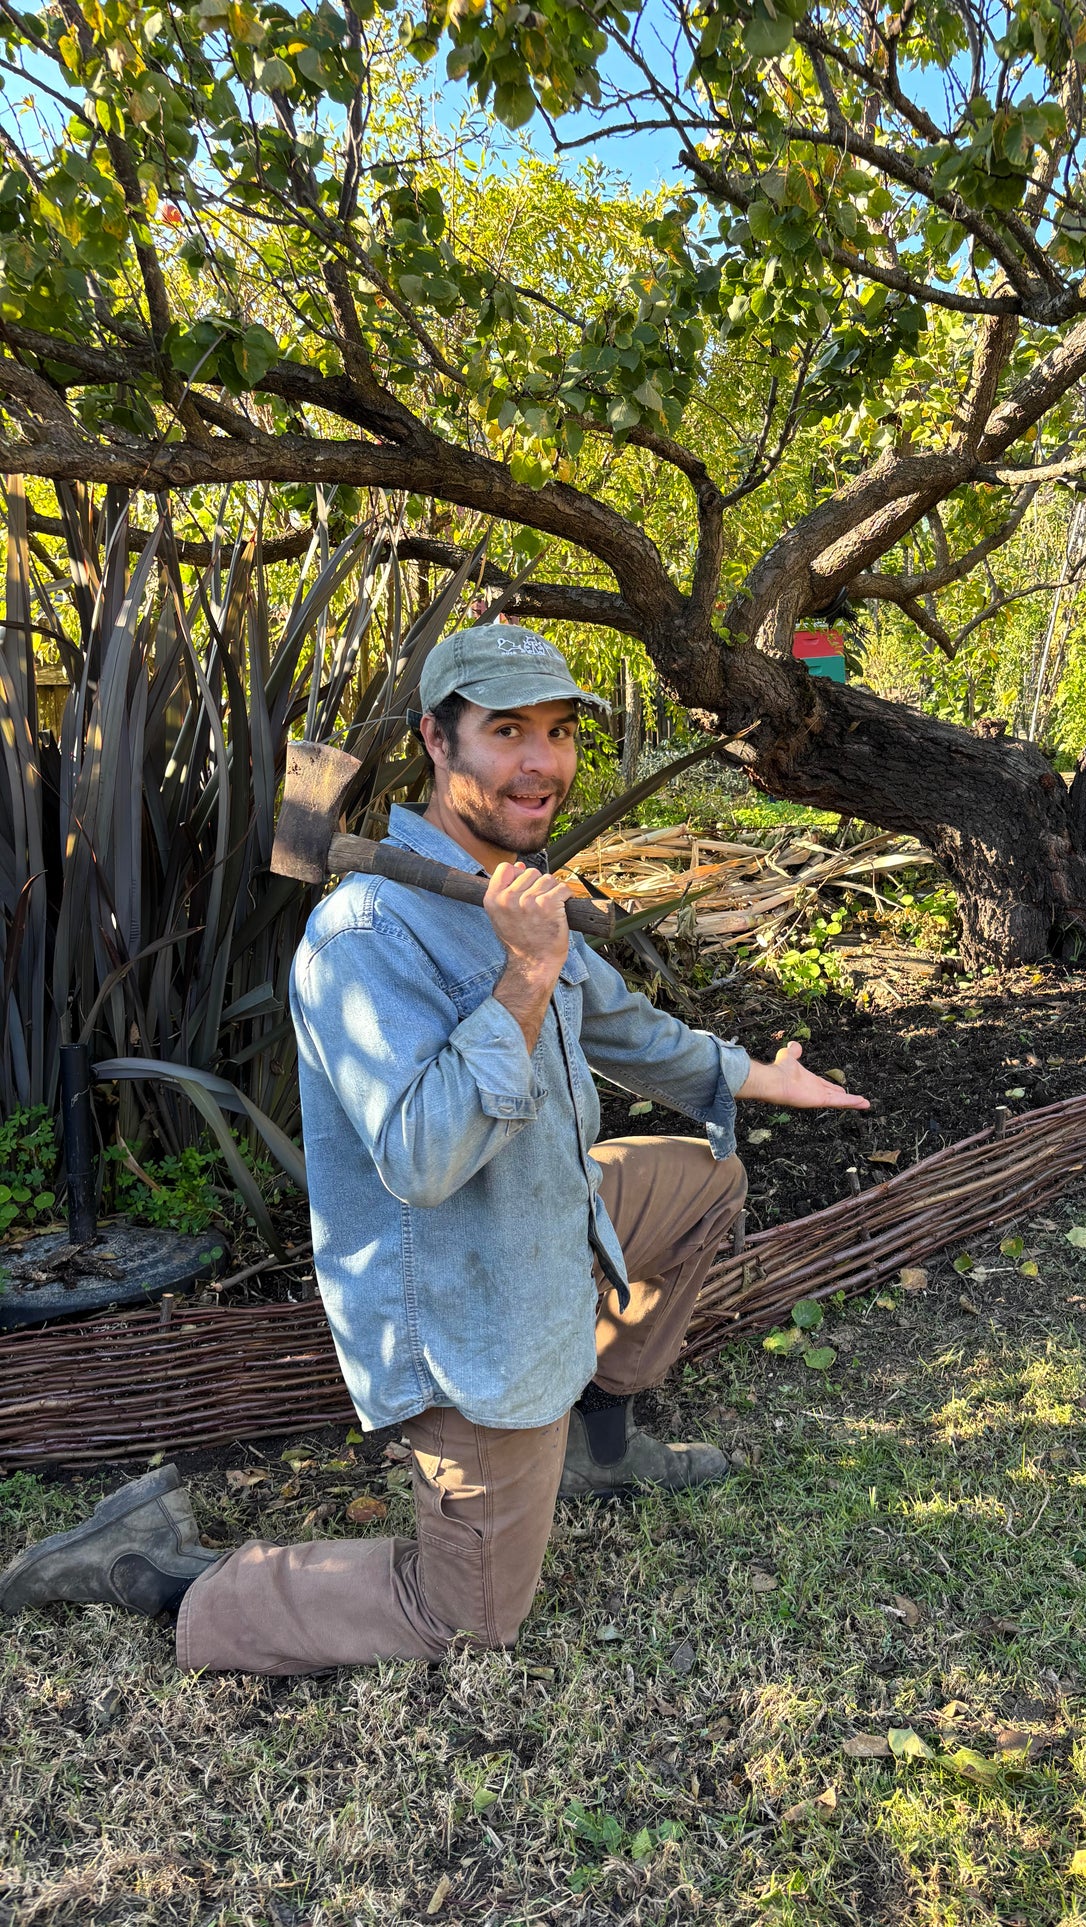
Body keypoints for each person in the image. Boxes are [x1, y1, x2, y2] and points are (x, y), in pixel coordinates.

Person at [1, 622, 867, 1673]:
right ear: (436, 739)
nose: (540, 761)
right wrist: (523, 976)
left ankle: (598, 1446)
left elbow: (625, 1028)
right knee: (464, 1615)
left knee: (706, 1178)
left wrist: (751, 1074)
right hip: (467, 1311)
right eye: (507, 731)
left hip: (538, 1219)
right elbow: (419, 1159)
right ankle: (152, 1566)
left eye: (557, 731)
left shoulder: (512, 890)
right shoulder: (364, 935)